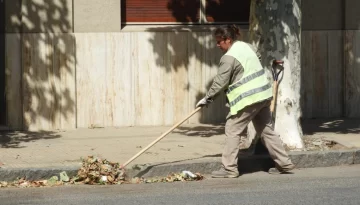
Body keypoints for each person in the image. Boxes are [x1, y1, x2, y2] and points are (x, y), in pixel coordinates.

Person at [196, 25, 295, 178]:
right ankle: (284, 164)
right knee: (266, 130)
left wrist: (207, 98)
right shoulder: (248, 47)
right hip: (263, 94)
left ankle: (229, 169)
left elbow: (220, 82)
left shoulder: (228, 58)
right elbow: (257, 60)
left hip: (248, 99)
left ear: (227, 40)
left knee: (232, 129)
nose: (217, 45)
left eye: (219, 42)